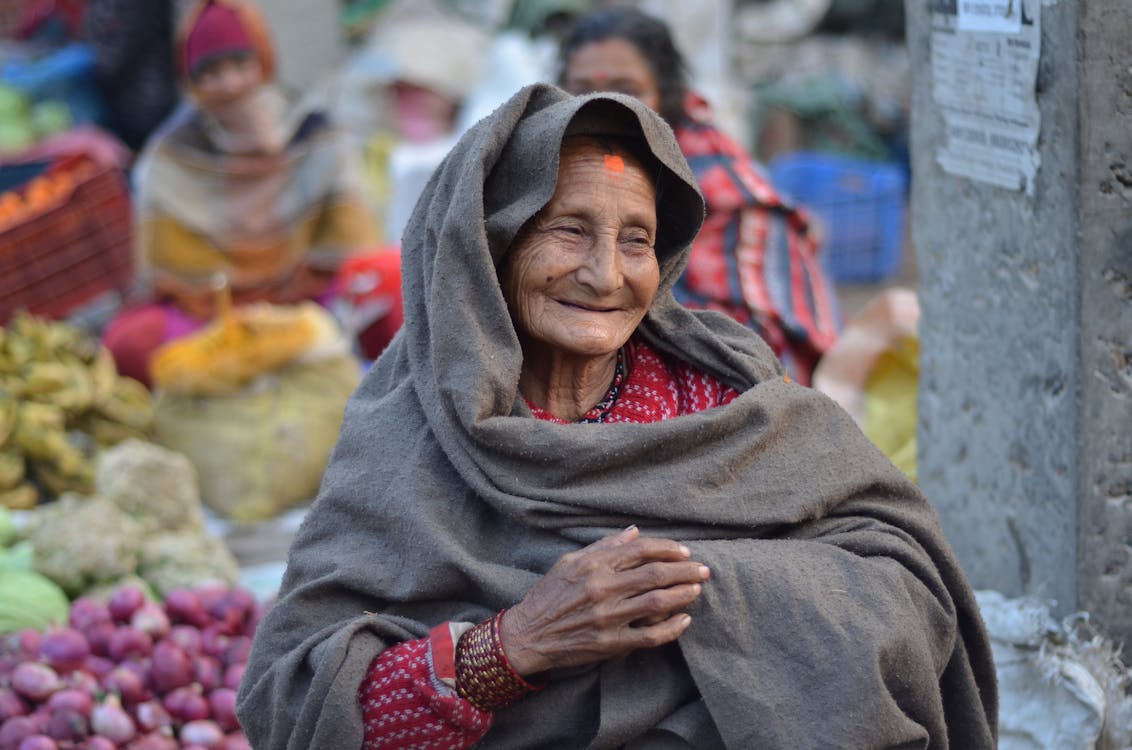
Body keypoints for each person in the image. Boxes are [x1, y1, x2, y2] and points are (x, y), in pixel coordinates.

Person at [236, 83, 996, 748]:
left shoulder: (724, 389)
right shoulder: (409, 429)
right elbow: (300, 710)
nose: (605, 275)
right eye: (568, 230)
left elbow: (908, 587)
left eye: (636, 240)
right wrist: (511, 647)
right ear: (489, 246)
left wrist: (703, 587)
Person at [101, 0, 398, 385]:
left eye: (240, 65)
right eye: (211, 73)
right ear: (191, 82)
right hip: (213, 319)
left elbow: (350, 240)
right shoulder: (170, 154)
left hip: (312, 300)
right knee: (128, 342)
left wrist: (294, 296)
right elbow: (169, 274)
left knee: (392, 276)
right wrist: (241, 310)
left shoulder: (315, 130)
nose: (229, 84)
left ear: (264, 62)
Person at [558, 6, 839, 385]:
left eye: (628, 91)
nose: (605, 107)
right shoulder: (563, 165)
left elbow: (754, 353)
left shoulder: (727, 192)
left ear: (669, 97)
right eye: (582, 90)